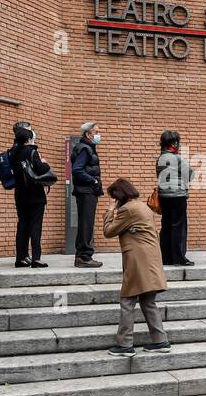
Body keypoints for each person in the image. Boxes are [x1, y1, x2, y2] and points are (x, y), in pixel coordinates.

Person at [103, 178, 171, 356]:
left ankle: (125, 345)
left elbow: (108, 231)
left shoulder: (128, 209)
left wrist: (110, 210)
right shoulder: (141, 206)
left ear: (118, 196)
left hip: (138, 261)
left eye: (112, 197)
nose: (112, 200)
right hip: (150, 260)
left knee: (127, 301)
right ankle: (160, 341)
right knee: (148, 301)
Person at [9, 122, 51, 268]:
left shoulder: (12, 152)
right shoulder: (31, 151)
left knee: (22, 225)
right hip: (35, 194)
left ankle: (20, 258)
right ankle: (36, 258)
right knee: (35, 225)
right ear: (28, 139)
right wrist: (45, 163)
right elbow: (41, 168)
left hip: (20, 194)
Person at [156, 130, 196, 265]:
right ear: (174, 143)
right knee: (178, 227)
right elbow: (191, 175)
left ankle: (166, 258)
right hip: (177, 196)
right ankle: (179, 258)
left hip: (163, 196)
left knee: (166, 226)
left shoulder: (160, 158)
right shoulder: (177, 158)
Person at [71, 122, 104, 268]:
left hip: (86, 191)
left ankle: (81, 256)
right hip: (86, 191)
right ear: (88, 134)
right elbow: (77, 170)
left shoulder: (87, 147)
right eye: (96, 132)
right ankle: (84, 256)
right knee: (86, 224)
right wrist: (93, 181)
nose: (99, 135)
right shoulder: (85, 148)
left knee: (85, 224)